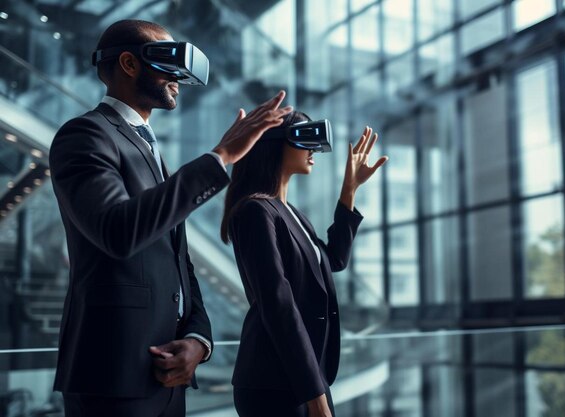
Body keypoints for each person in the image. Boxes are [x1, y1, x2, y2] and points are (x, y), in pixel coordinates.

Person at [49, 19, 292, 417]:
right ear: (129, 64)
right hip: (113, 374)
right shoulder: (85, 135)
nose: (179, 79)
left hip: (167, 375)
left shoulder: (150, 149)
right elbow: (117, 231)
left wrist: (199, 338)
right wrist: (221, 158)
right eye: (169, 63)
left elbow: (177, 259)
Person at [220, 111, 388, 416]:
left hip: (305, 377)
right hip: (274, 383)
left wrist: (349, 189)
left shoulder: (290, 213)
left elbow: (333, 260)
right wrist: (316, 398)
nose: (313, 150)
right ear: (273, 144)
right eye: (304, 138)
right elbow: (278, 306)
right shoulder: (256, 212)